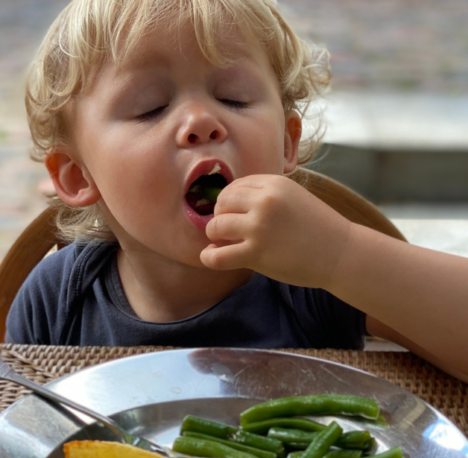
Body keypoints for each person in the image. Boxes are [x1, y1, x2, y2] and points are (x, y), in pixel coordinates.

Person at [6, 0, 467, 383]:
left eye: (234, 97)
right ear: (77, 175)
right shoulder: (59, 298)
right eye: (151, 107)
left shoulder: (312, 277)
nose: (202, 122)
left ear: (286, 142)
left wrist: (341, 255)